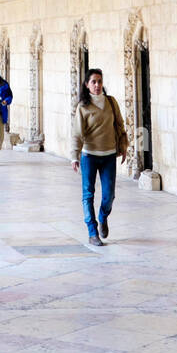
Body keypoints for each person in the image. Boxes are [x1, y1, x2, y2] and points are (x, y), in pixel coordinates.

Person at [71, 67, 128, 247]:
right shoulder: (83, 106)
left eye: (99, 81)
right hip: (89, 155)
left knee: (109, 195)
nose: (97, 85)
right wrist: (74, 156)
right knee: (88, 194)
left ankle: (103, 217)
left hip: (109, 154)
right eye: (93, 82)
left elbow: (119, 125)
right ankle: (92, 232)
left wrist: (123, 147)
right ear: (87, 85)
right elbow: (77, 133)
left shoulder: (111, 102)